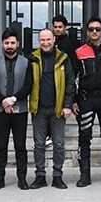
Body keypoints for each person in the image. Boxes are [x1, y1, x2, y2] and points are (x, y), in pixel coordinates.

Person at [73, 16, 101, 187]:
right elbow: (72, 79)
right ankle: (84, 176)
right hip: (86, 99)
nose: (94, 32)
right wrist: (73, 101)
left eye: (97, 29)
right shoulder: (79, 52)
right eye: (91, 29)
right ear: (87, 32)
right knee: (84, 137)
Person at [0, 28, 33, 190]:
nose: (10, 46)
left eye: (12, 43)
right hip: (0, 111)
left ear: (18, 44)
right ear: (2, 44)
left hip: (20, 111)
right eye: (7, 43)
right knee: (1, 146)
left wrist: (13, 99)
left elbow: (28, 85)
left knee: (20, 146)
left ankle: (22, 179)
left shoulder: (26, 62)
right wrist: (3, 101)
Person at [29, 29, 75, 189]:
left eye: (48, 39)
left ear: (54, 39)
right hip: (39, 109)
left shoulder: (63, 58)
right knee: (39, 144)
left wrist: (67, 105)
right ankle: (40, 176)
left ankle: (57, 176)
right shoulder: (33, 58)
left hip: (58, 108)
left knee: (59, 144)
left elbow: (70, 83)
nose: (46, 43)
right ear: (38, 41)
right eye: (42, 40)